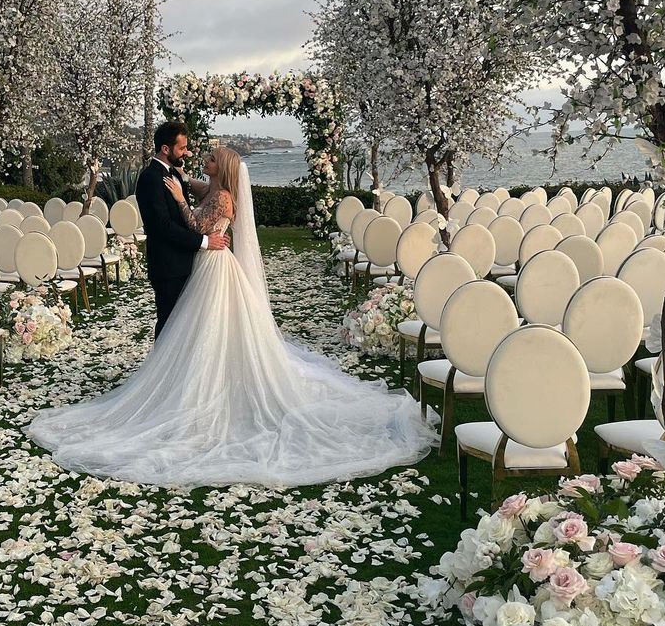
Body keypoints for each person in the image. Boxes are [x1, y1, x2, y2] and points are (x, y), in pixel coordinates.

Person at [27, 144, 434, 487]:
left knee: (211, 326)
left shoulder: (223, 198)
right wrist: (182, 180)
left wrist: (180, 198)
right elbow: (201, 189)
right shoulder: (216, 188)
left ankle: (208, 387)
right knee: (202, 329)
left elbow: (195, 224)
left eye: (209, 159)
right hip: (210, 265)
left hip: (215, 267)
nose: (203, 161)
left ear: (220, 168)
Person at [132, 120, 230, 338]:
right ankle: (161, 362)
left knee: (184, 328)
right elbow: (163, 226)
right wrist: (205, 242)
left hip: (185, 262)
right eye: (182, 148)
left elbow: (192, 214)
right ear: (166, 149)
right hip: (168, 266)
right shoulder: (150, 178)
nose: (187, 152)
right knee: (168, 326)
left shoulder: (174, 174)